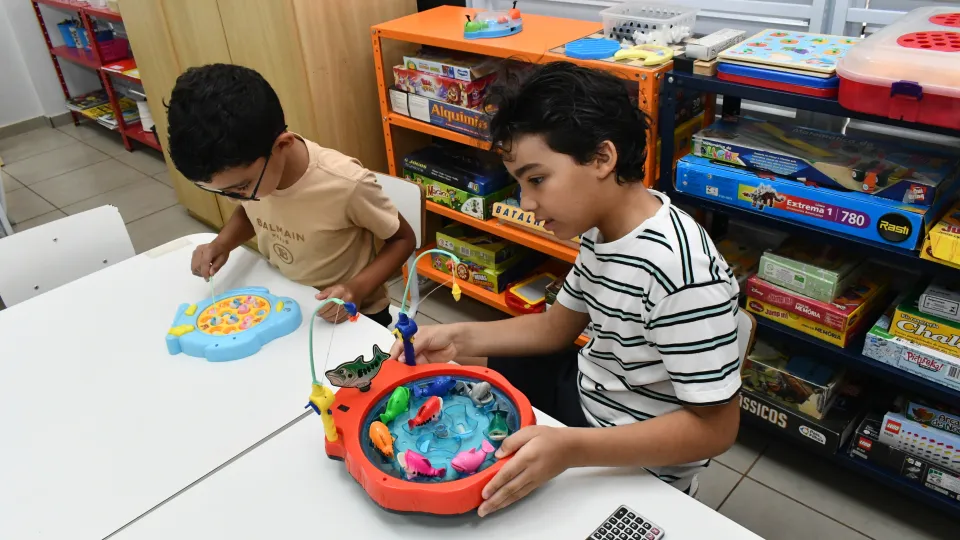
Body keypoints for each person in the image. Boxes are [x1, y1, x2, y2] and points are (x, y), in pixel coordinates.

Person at [389, 62, 742, 516]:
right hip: (584, 394)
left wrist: (571, 449)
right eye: (520, 183)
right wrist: (458, 337)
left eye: (536, 179)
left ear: (602, 158)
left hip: (636, 457)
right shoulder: (605, 230)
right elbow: (557, 328)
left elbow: (715, 431)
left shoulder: (678, 272)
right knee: (454, 391)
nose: (527, 203)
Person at [166, 63, 415, 327]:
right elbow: (252, 211)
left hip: (352, 313)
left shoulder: (346, 184)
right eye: (223, 191)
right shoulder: (255, 179)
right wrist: (223, 243)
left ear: (282, 145)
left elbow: (403, 239)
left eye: (240, 188)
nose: (234, 197)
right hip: (284, 299)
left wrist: (357, 289)